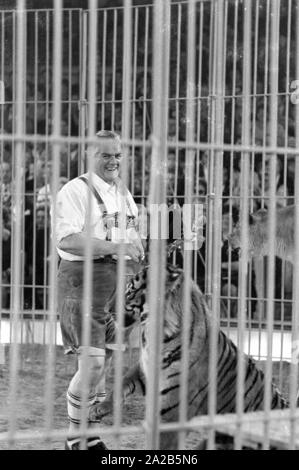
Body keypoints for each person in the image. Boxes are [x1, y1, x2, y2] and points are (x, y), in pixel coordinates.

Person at [54, 130, 144, 451]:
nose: (114, 161)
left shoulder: (122, 193)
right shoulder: (74, 190)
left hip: (112, 285)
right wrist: (117, 246)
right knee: (92, 364)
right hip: (81, 282)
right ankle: (74, 438)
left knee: (104, 365)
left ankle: (88, 436)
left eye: (118, 154)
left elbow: (134, 238)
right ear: (90, 156)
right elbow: (66, 240)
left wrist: (169, 237)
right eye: (106, 155)